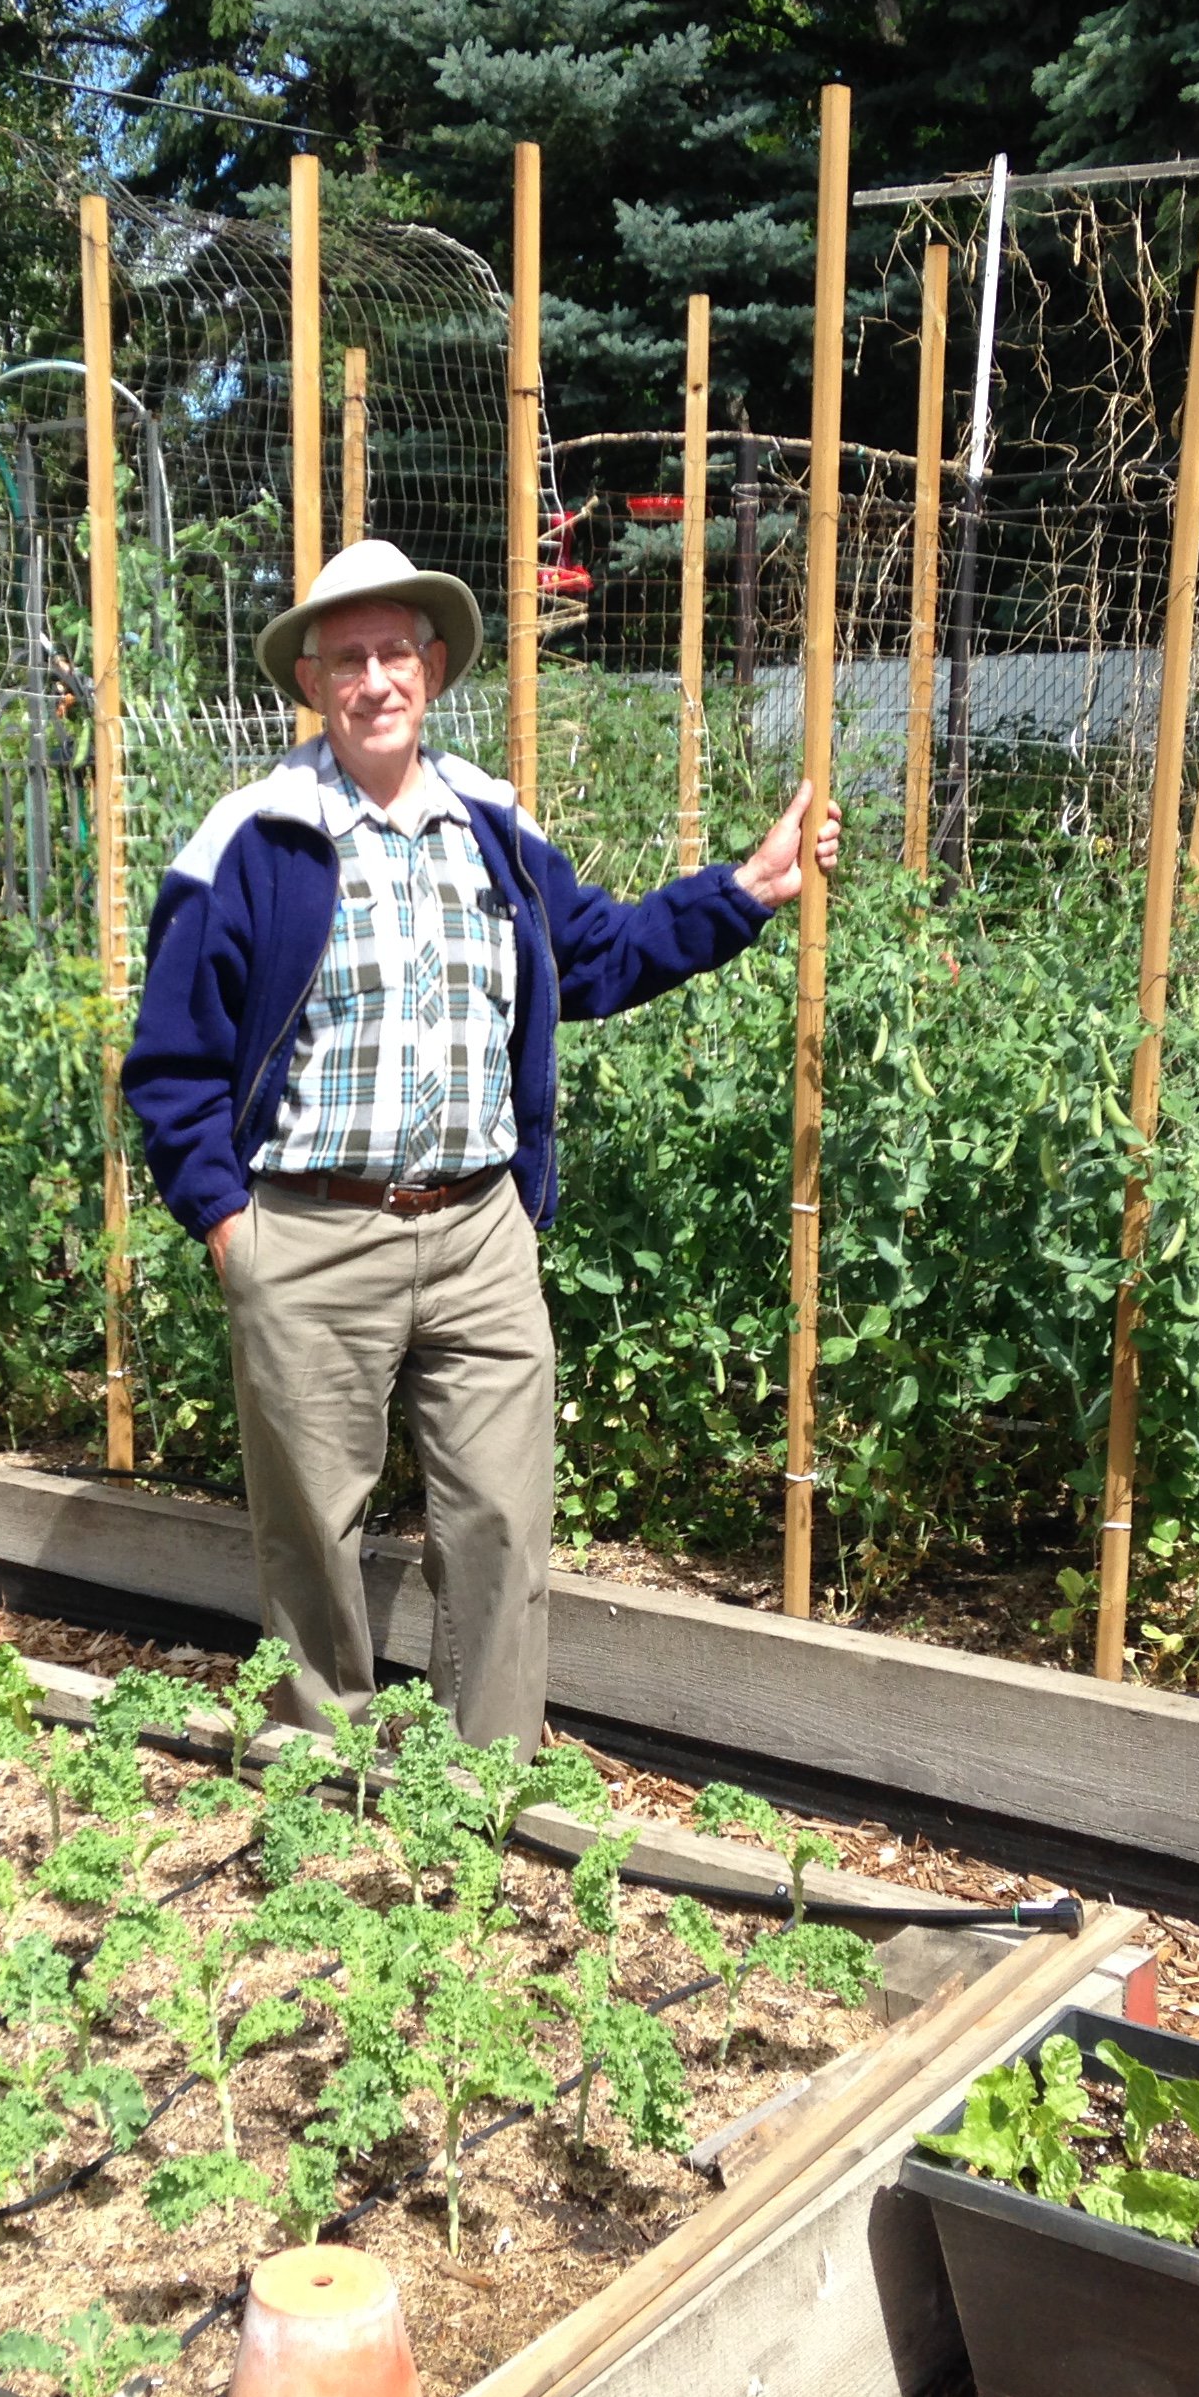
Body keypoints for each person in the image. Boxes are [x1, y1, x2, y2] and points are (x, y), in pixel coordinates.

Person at [122, 538, 839, 1746]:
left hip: (478, 1233)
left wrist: (745, 892)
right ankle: (324, 1784)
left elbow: (596, 955)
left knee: (502, 1520)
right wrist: (226, 1224)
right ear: (312, 685)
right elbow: (172, 1057)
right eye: (345, 660)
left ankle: (488, 1789)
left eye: (394, 651)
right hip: (309, 1233)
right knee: (311, 1534)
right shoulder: (251, 839)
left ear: (434, 666)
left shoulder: (492, 827)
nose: (374, 680)